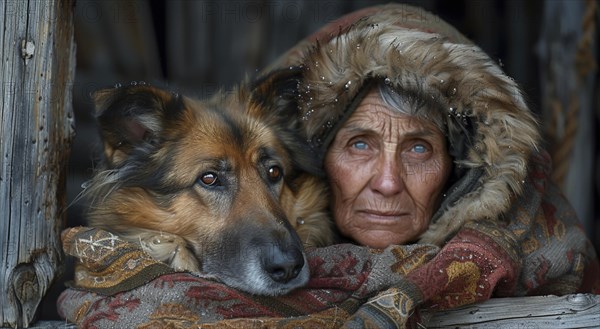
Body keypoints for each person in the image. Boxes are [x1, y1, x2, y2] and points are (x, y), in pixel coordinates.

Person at [58, 4, 599, 328]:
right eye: (360, 144)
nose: (387, 182)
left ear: (461, 169)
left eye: (418, 149)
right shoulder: (130, 287)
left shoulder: (520, 261)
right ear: (323, 160)